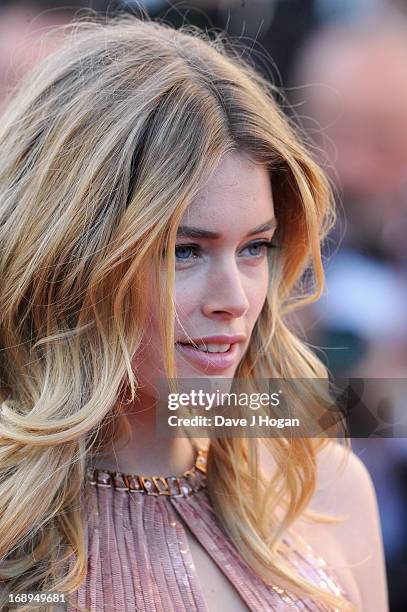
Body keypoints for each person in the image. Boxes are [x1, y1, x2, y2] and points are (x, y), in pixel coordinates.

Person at [0, 15, 388, 612]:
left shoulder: (322, 491)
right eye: (185, 251)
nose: (233, 298)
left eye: (255, 247)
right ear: (73, 259)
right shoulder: (12, 523)